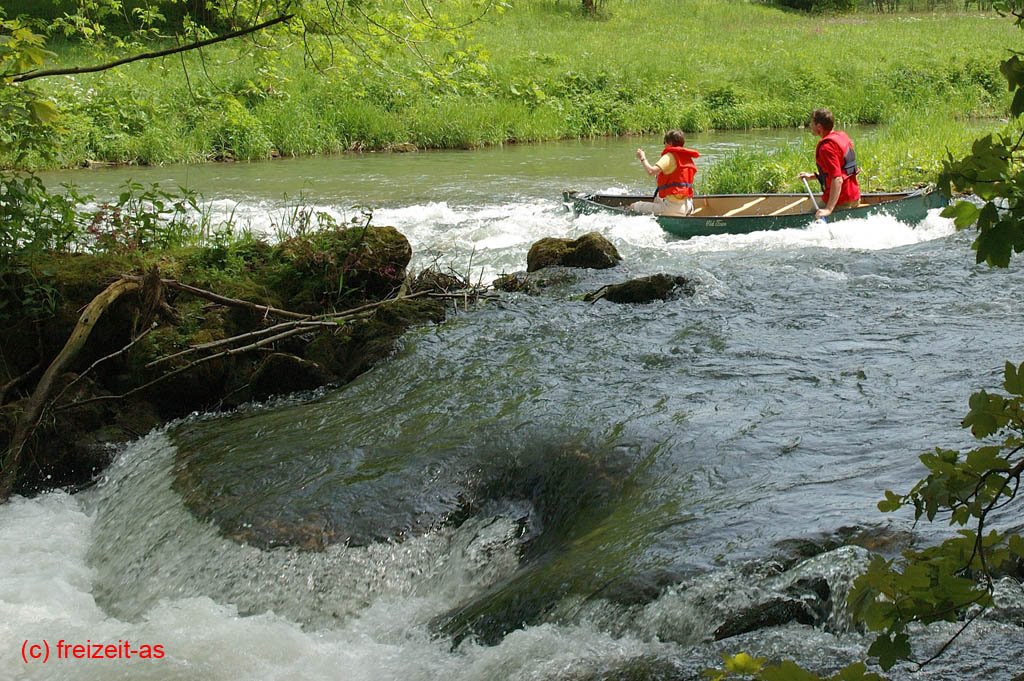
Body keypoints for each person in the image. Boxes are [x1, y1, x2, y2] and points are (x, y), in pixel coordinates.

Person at [799, 108, 860, 220]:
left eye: (812, 123)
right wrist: (811, 176)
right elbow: (841, 169)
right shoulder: (842, 136)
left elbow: (837, 178)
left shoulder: (826, 148)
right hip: (854, 196)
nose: (810, 126)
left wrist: (829, 209)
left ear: (819, 127)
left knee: (805, 221)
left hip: (841, 200)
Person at [630, 130, 700, 216]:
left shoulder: (669, 157)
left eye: (664, 142)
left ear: (670, 143)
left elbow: (651, 171)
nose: (664, 145)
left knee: (633, 206)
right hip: (688, 205)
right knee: (657, 198)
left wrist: (642, 158)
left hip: (672, 208)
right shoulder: (687, 157)